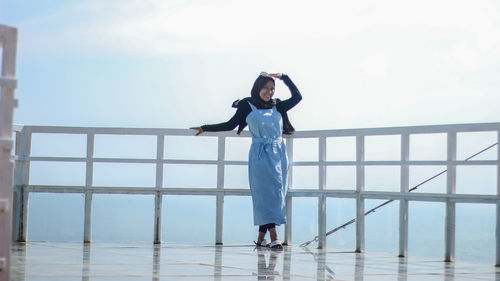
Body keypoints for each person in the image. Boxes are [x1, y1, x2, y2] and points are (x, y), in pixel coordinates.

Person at [190, 72, 302, 249]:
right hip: (260, 154)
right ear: (258, 88)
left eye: (272, 88)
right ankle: (274, 236)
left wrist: (284, 77)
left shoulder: (277, 106)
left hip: (278, 154)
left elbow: (298, 96)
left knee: (276, 193)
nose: (269, 92)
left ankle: (260, 238)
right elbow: (230, 125)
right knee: (265, 194)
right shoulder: (246, 105)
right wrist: (205, 128)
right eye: (265, 88)